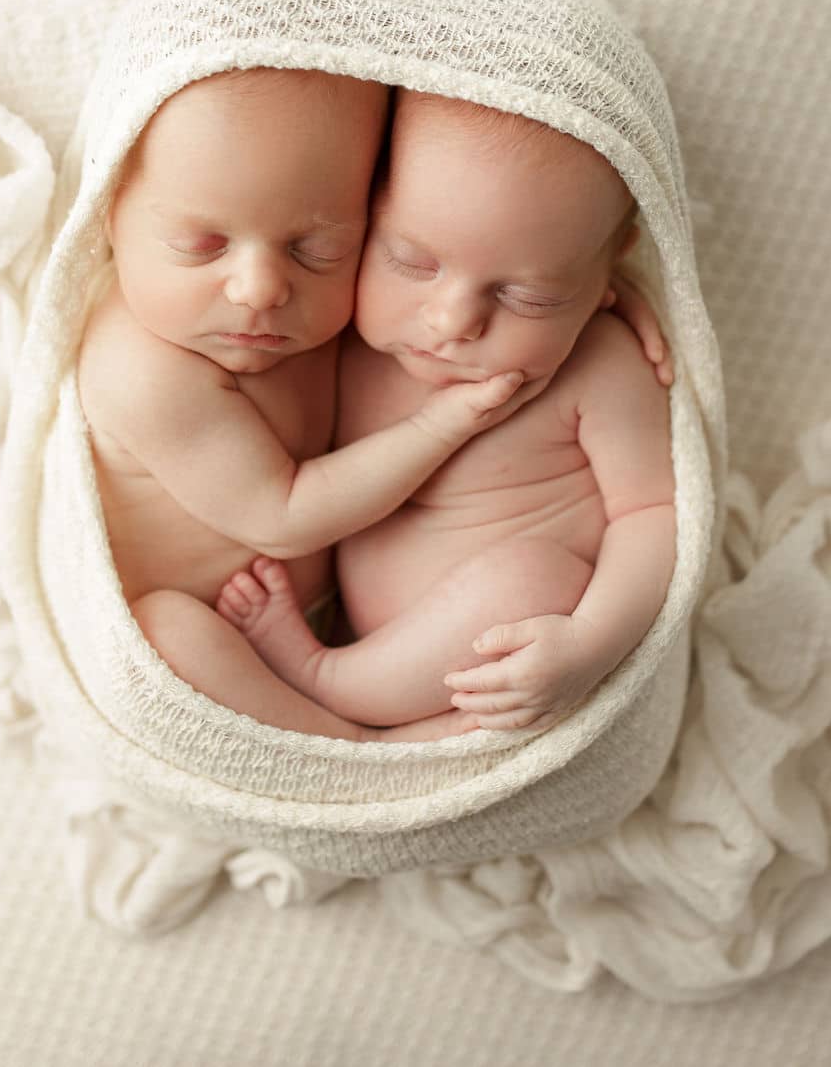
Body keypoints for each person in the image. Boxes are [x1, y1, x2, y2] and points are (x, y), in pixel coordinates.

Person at [76, 66, 532, 743]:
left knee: (531, 579)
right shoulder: (142, 366)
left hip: (338, 614)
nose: (262, 288)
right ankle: (350, 749)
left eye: (317, 248)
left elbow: (460, 245)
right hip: (225, 639)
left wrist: (561, 290)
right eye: (202, 245)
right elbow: (282, 515)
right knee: (165, 632)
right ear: (111, 210)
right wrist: (446, 421)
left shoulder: (317, 307)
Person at [218, 89, 676, 736]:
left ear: (605, 272)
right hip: (351, 618)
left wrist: (589, 643)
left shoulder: (601, 363)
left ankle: (327, 681)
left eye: (528, 295)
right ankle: (352, 705)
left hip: (503, 668)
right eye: (412, 261)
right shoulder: (342, 326)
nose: (452, 321)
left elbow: (653, 513)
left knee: (538, 577)